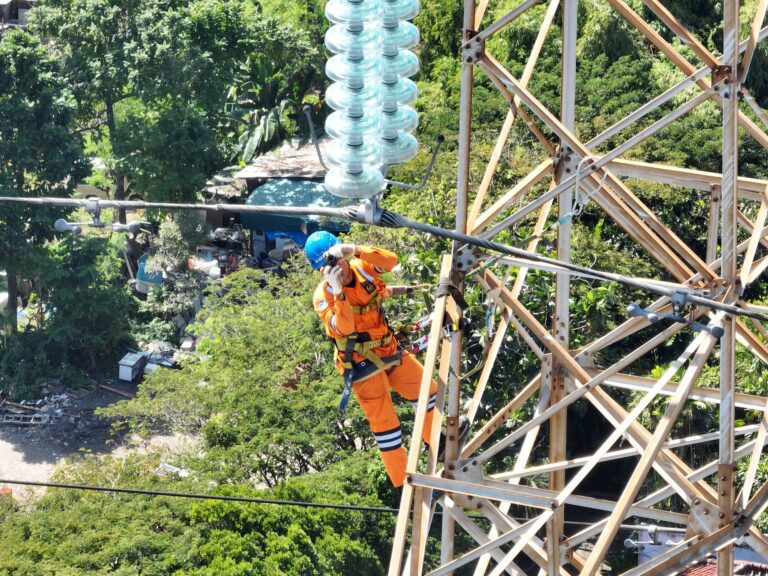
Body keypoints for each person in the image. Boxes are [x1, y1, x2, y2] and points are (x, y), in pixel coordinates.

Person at [305, 230, 438, 488]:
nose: (336, 268)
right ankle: (404, 482)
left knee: (428, 390)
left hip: (387, 348)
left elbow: (391, 260)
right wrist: (339, 293)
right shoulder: (324, 297)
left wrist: (354, 249)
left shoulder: (362, 268)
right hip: (360, 363)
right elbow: (344, 327)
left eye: (337, 261)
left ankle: (438, 441)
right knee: (386, 425)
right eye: (326, 267)